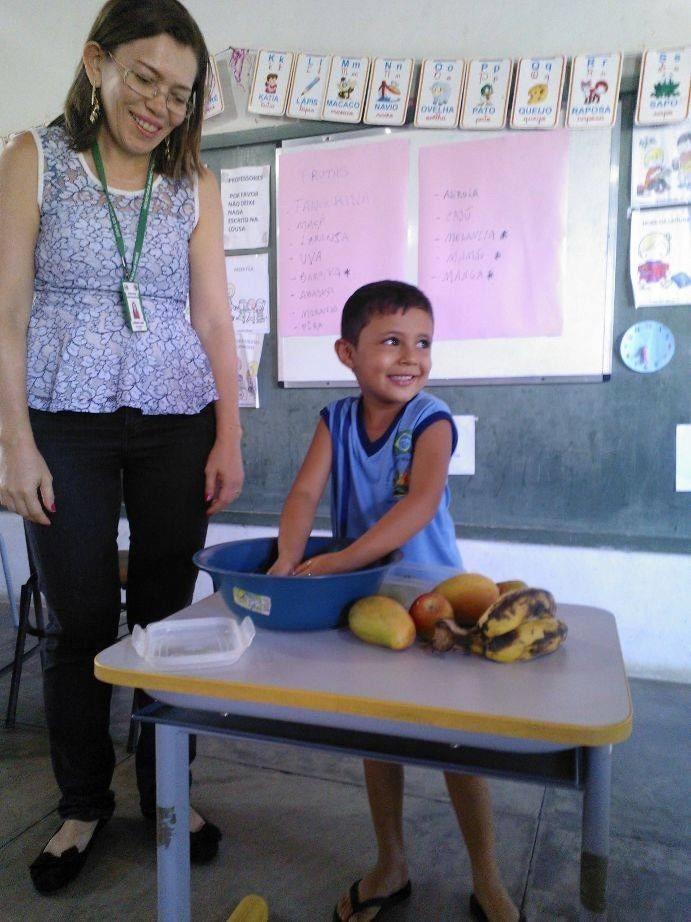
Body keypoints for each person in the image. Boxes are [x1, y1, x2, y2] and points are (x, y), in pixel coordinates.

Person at [0, 0, 243, 893]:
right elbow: (7, 310)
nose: (159, 105)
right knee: (82, 621)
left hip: (178, 417)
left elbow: (214, 317)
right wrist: (12, 445)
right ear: (97, 62)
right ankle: (83, 803)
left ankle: (168, 787)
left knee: (171, 619)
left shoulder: (193, 183)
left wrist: (229, 431)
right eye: (144, 78)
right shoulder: (35, 159)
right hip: (63, 419)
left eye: (180, 93)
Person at [268, 281, 524, 922]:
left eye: (423, 342)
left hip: (438, 602)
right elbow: (302, 496)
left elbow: (420, 505)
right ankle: (391, 865)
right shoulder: (334, 420)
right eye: (390, 341)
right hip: (367, 602)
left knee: (454, 745)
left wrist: (340, 558)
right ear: (346, 353)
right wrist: (287, 559)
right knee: (378, 736)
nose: (411, 356)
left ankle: (488, 880)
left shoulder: (430, 419)